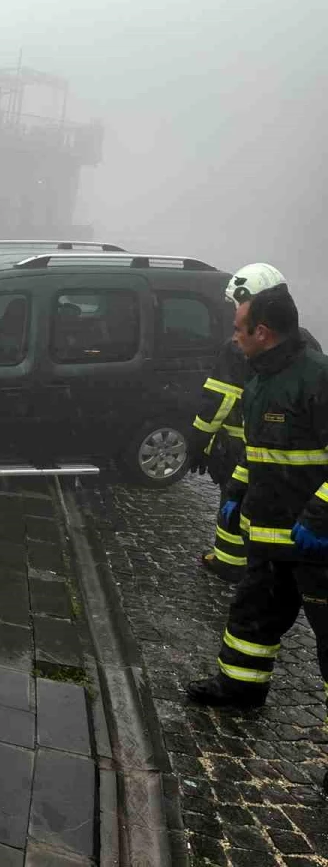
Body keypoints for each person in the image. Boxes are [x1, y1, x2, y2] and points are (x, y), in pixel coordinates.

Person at [186, 285, 328, 729]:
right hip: (269, 537)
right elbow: (257, 450)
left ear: (262, 332)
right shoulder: (260, 379)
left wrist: (320, 514)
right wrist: (236, 492)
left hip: (317, 545)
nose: (234, 338)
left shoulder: (318, 378)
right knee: (253, 615)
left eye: (238, 329)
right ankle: (240, 687)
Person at [187, 264, 321, 581]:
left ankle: (231, 562)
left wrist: (197, 441)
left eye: (237, 305)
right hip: (284, 459)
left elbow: (219, 401)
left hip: (243, 446)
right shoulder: (306, 343)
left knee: (235, 502)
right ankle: (262, 566)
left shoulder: (237, 347)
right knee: (268, 510)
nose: (235, 326)